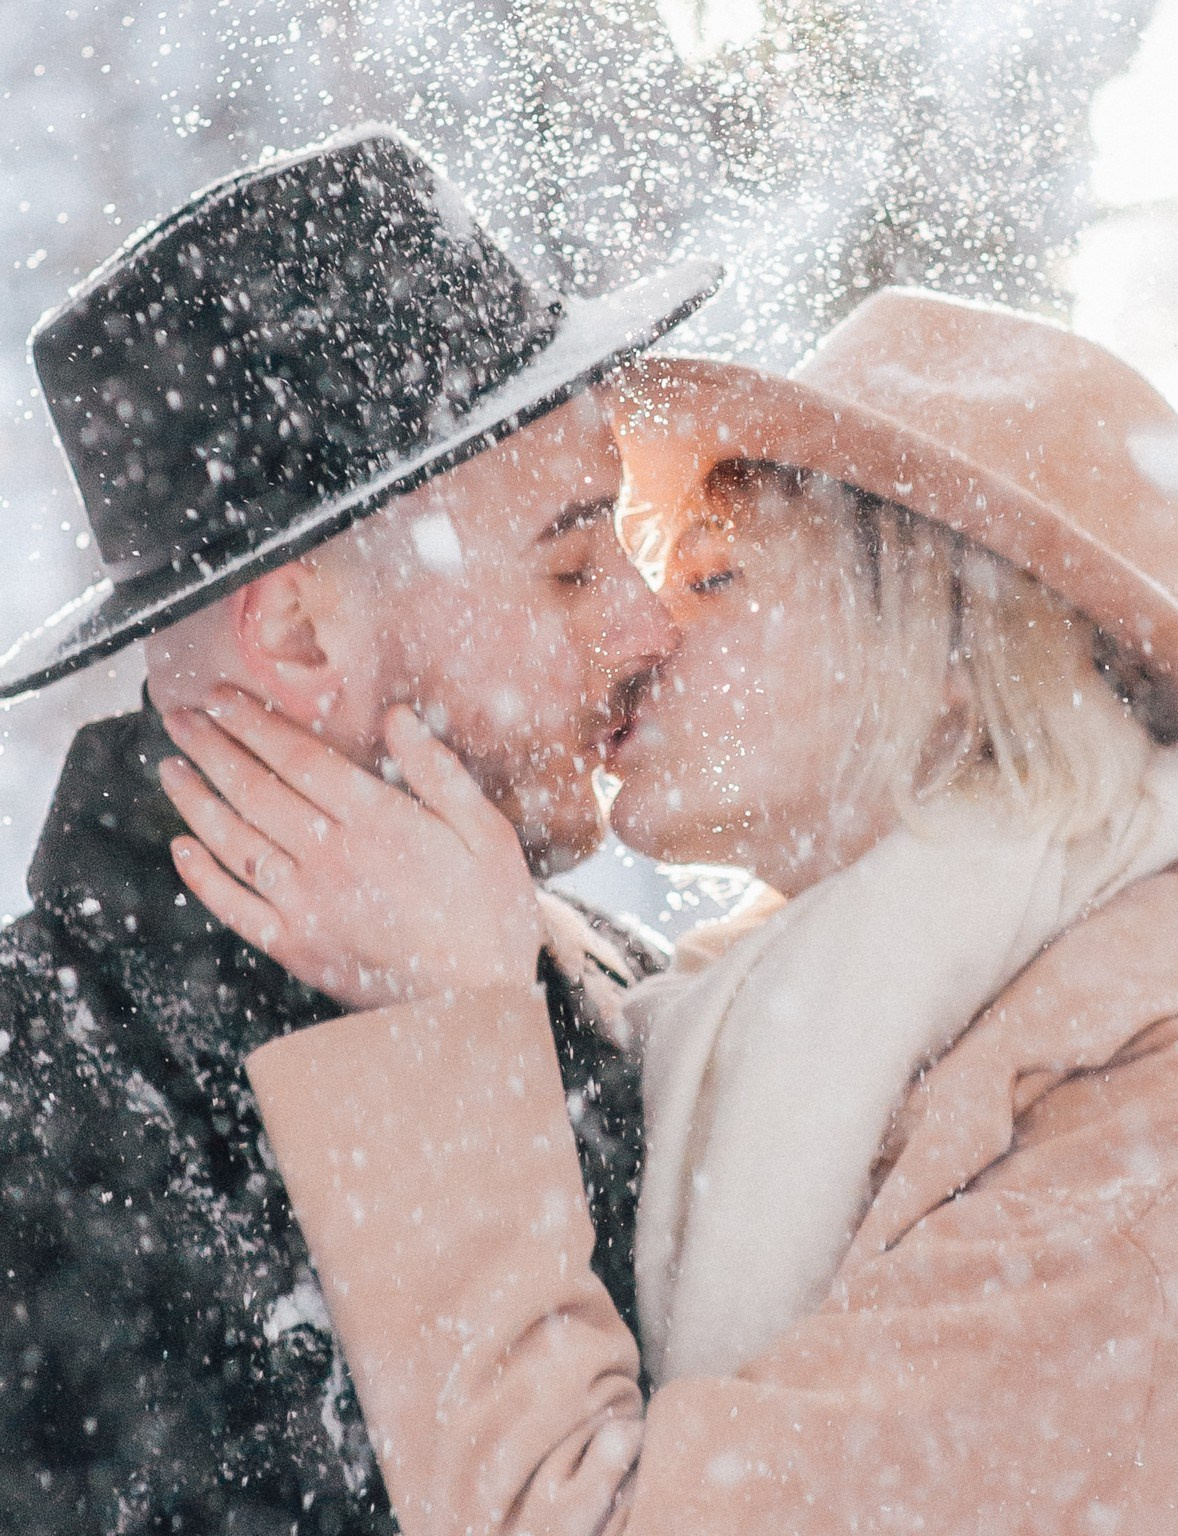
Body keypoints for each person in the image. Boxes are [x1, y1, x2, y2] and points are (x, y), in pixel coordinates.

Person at [168, 287, 1178, 1531]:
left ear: (947, 652)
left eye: (716, 577)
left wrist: (449, 1025)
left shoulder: (1166, 1124)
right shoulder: (795, 1016)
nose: (644, 629)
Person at [0, 124, 719, 1533]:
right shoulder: (36, 1136)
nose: (648, 623)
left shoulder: (621, 984)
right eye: (573, 561)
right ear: (308, 633)